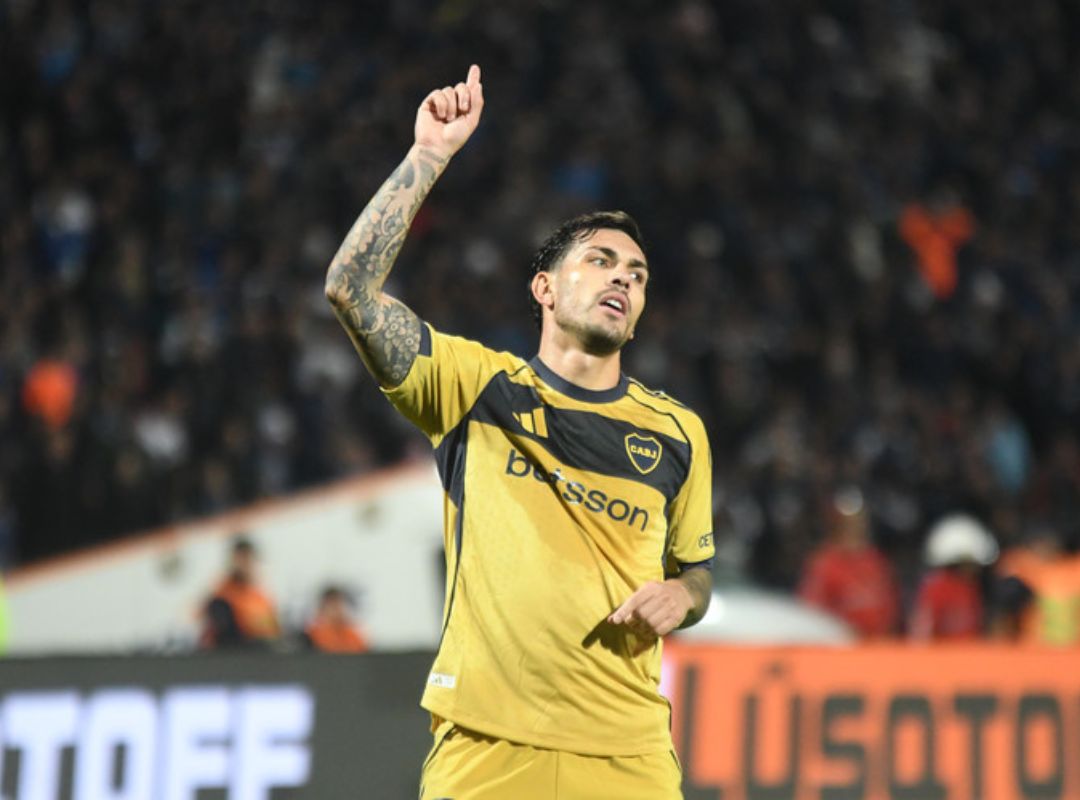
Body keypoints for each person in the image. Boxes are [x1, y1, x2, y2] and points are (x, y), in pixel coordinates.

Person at [324, 65, 714, 799]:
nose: (623, 279)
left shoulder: (677, 433)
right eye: (600, 261)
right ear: (545, 288)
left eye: (637, 274)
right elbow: (350, 289)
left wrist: (683, 598)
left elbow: (697, 570)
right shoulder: (476, 388)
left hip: (628, 757)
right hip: (487, 747)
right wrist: (428, 155)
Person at [798, 486, 900, 638]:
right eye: (848, 522)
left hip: (877, 644)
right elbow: (812, 611)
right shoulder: (825, 564)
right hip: (841, 644)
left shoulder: (876, 561)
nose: (855, 526)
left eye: (859, 520)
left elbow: (890, 604)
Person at [908, 514, 998, 641]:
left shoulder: (971, 587)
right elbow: (922, 632)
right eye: (970, 563)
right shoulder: (937, 588)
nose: (975, 569)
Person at [198, 535, 280, 649]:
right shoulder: (222, 596)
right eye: (241, 559)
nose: (245, 565)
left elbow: (274, 629)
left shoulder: (261, 597)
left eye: (249, 559)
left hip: (264, 652)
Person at [302, 584, 370, 653]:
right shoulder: (309, 638)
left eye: (339, 604)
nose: (336, 610)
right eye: (332, 605)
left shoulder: (352, 636)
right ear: (322, 609)